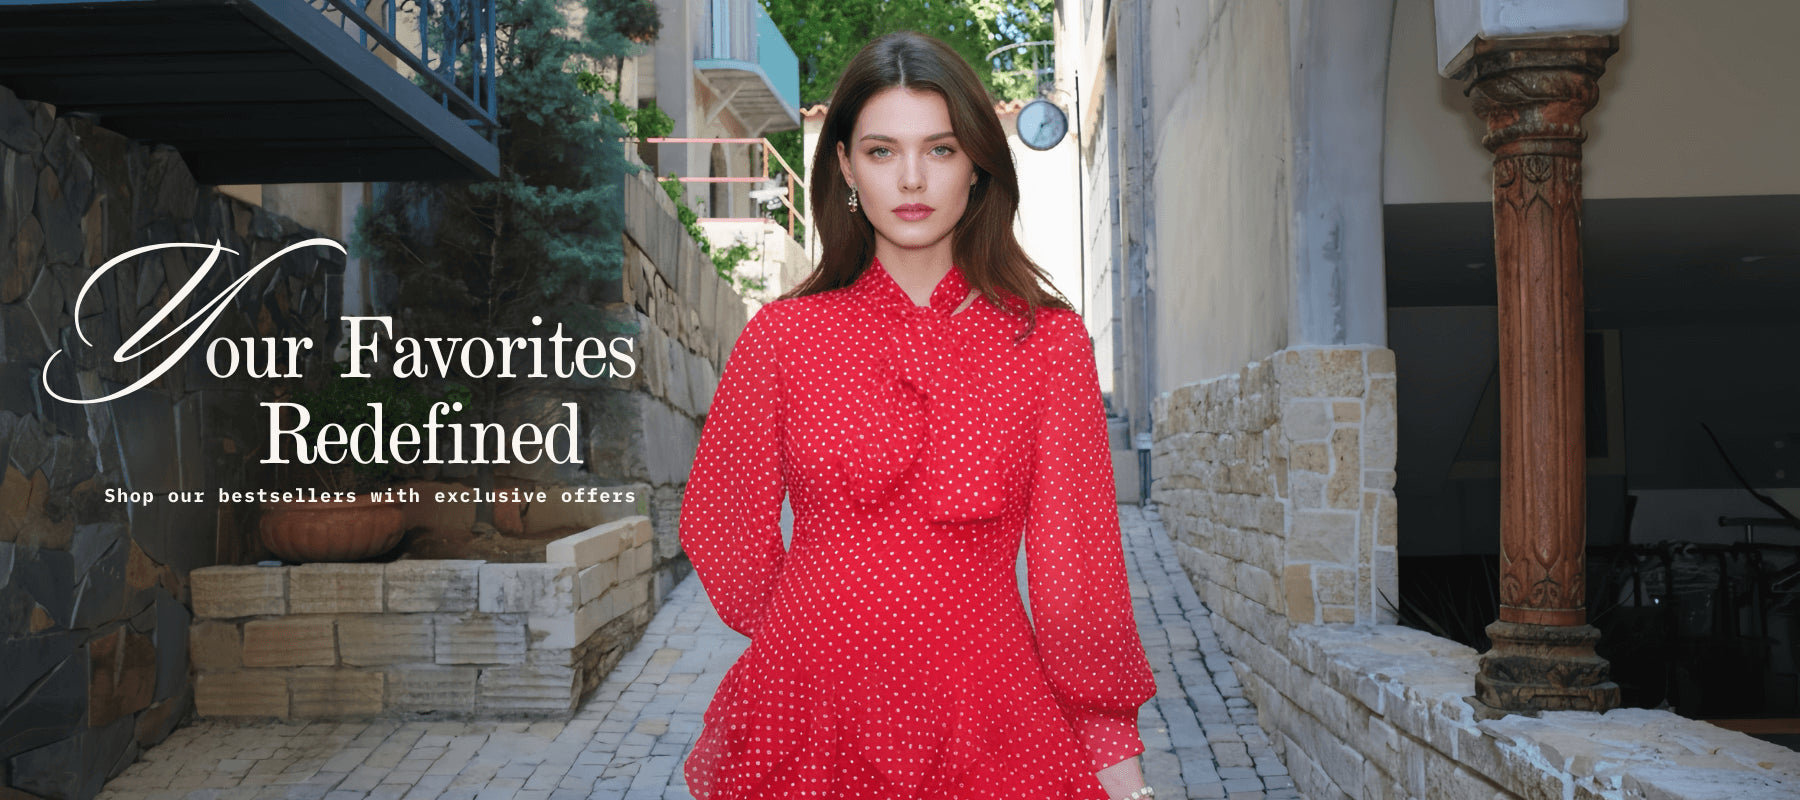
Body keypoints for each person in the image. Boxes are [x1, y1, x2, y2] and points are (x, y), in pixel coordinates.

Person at [679, 30, 1160, 800]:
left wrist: (1112, 749)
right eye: (880, 151)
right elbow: (720, 521)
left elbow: (1080, 575)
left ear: (977, 164)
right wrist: (810, 629)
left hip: (989, 710)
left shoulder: (1046, 341)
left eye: (938, 149)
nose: (911, 178)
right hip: (807, 713)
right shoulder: (783, 338)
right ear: (843, 165)